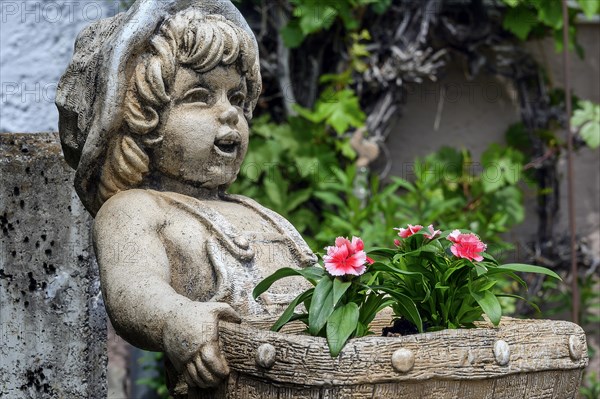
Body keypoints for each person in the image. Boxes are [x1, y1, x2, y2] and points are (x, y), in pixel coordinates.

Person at [56, 3, 315, 398]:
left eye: (237, 97)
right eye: (199, 95)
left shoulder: (262, 216)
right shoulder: (136, 209)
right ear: (141, 123)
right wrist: (176, 319)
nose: (229, 113)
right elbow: (133, 290)